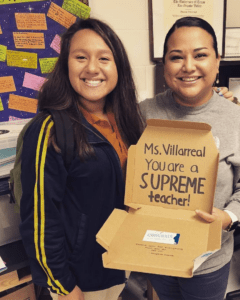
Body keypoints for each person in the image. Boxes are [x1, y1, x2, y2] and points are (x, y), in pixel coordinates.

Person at [139, 17, 240, 300]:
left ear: (217, 61)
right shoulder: (142, 114)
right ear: (165, 65)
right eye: (176, 57)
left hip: (208, 260)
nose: (188, 66)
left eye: (200, 55)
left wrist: (228, 216)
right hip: (157, 251)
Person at [19, 18, 144, 300]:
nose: (92, 68)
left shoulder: (128, 120)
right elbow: (39, 218)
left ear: (117, 67)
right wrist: (62, 284)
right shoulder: (50, 129)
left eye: (103, 58)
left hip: (119, 262)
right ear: (66, 65)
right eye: (80, 57)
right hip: (79, 278)